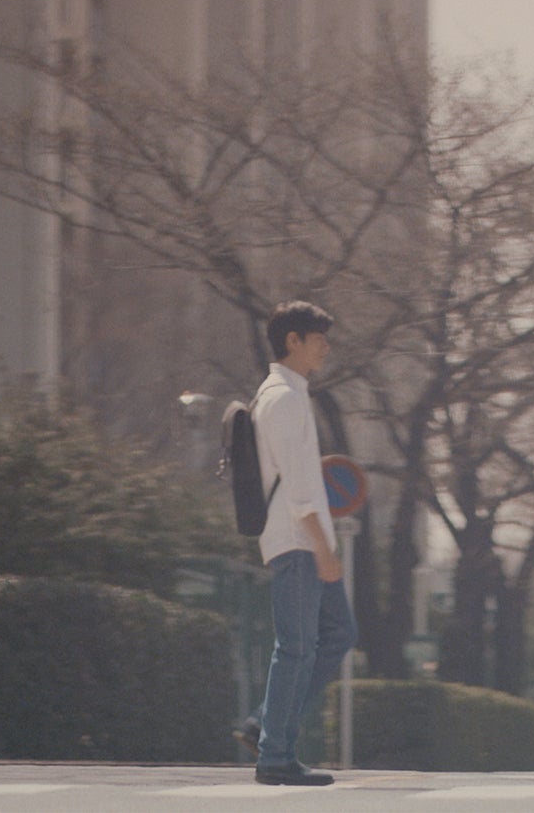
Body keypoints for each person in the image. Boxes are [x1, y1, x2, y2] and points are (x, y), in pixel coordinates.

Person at [236, 300, 358, 787]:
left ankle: (264, 724)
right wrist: (322, 548)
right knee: (296, 648)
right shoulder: (283, 399)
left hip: (305, 539)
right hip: (297, 541)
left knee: (336, 635)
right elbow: (300, 485)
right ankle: (275, 756)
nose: (325, 346)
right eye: (317, 338)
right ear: (293, 341)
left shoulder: (289, 394)